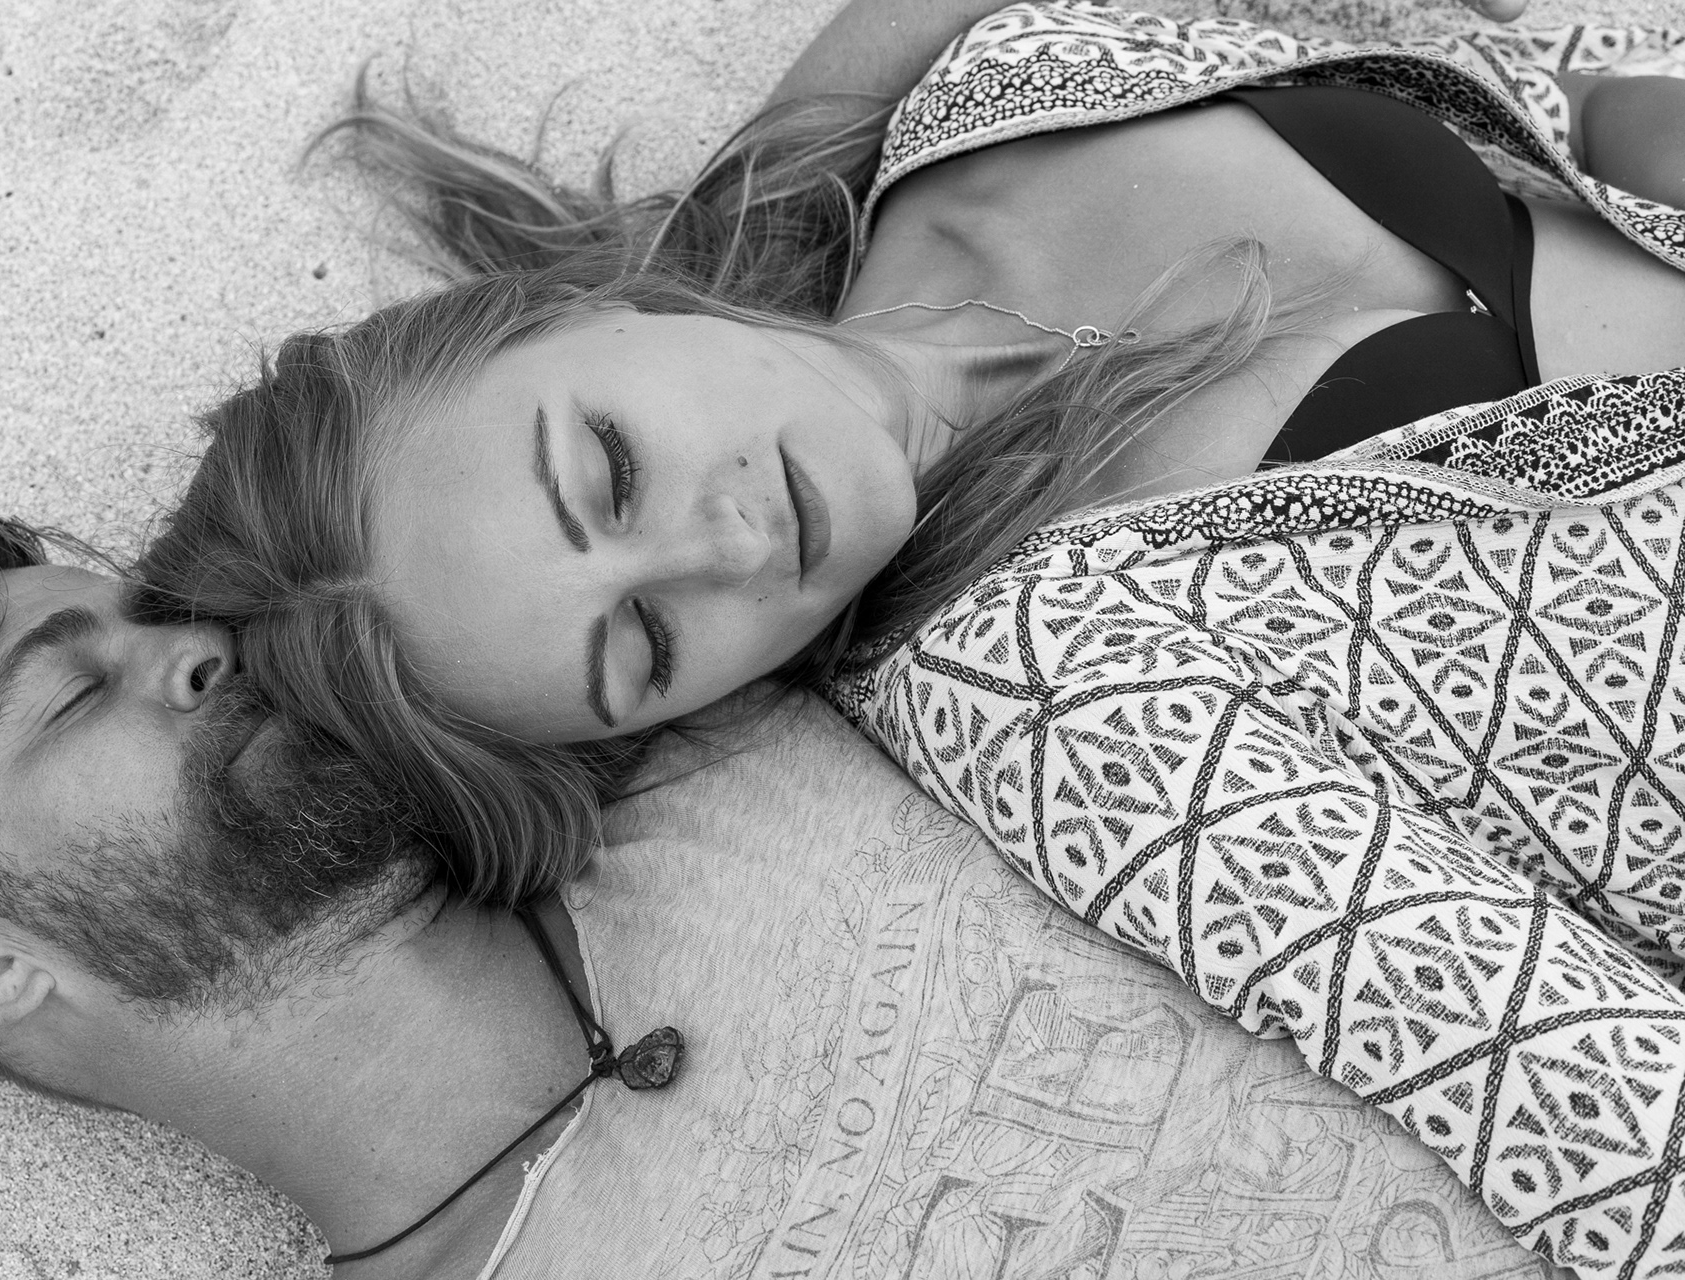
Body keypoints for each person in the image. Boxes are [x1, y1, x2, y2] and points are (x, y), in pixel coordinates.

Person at [126, 2, 1685, 1273]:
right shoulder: (1047, 696)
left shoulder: (998, 92)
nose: (726, 544)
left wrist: (1617, 116)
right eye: (649, 642)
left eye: (608, 468)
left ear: (582, 312)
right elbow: (1567, 1085)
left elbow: (1518, 89)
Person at [0, 516, 1590, 1278]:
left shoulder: (684, 730)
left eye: (157, 616)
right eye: (70, 692)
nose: (195, 651)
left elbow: (716, 315)